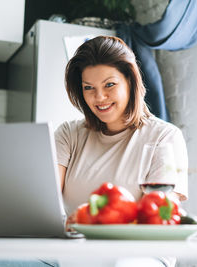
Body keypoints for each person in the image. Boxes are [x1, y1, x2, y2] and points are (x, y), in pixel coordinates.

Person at [55, 35, 189, 218]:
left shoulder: (164, 137)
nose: (99, 97)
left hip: (130, 246)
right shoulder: (68, 135)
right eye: (88, 87)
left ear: (130, 82)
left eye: (109, 85)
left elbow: (159, 215)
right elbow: (43, 201)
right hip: (70, 244)